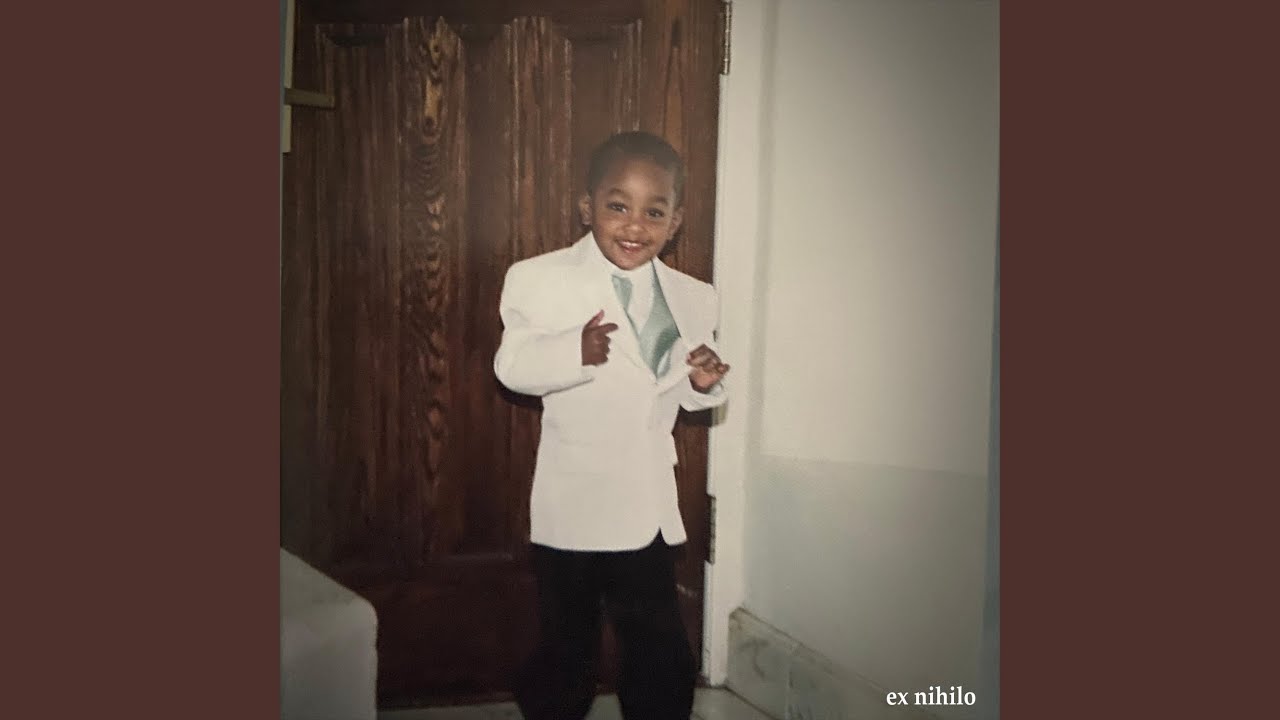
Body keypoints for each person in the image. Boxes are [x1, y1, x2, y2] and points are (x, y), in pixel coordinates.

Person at [493, 131, 730, 720]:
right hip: (575, 502)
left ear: (675, 222)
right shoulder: (540, 278)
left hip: (647, 507)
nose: (634, 226)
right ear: (587, 207)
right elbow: (511, 366)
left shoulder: (694, 297)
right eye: (618, 206)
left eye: (654, 212)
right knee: (568, 646)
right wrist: (571, 350)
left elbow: (676, 389)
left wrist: (704, 383)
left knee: (660, 647)